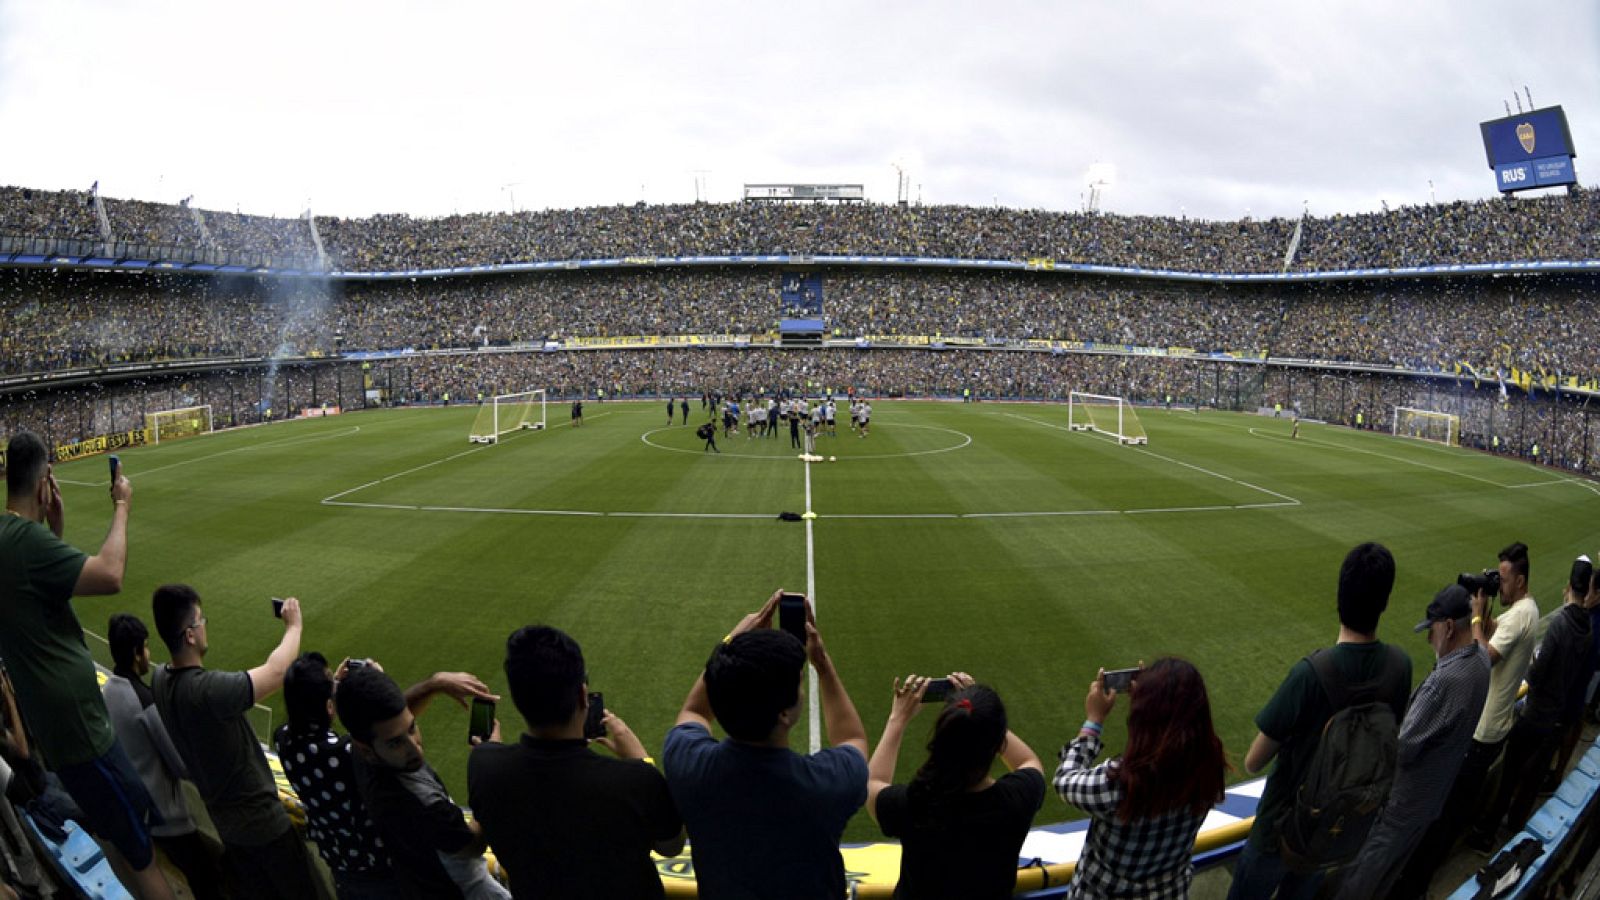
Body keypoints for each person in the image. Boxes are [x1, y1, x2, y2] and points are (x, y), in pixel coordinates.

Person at [0, 433, 174, 900]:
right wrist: (121, 506)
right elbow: (109, 575)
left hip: (58, 730)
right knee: (142, 852)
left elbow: (35, 597)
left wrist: (52, 529)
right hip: (82, 733)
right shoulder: (23, 541)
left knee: (116, 835)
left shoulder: (9, 538)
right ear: (45, 483)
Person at [1228, 542, 1412, 899]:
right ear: (1385, 602)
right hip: (1336, 830)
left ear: (1339, 595)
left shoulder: (1311, 674)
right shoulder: (1399, 667)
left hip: (1280, 832)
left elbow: (1253, 762)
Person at [663, 591, 869, 899]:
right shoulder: (827, 783)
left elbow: (693, 711)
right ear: (784, 713)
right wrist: (823, 665)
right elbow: (853, 740)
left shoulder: (688, 764)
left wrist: (729, 644)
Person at [468, 625, 683, 898]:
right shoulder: (636, 780)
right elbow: (671, 845)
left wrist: (490, 751)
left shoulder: (485, 766)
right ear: (583, 695)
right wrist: (640, 756)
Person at [151, 585, 319, 900]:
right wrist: (294, 626)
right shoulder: (209, 691)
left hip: (227, 828)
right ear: (190, 635)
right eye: (201, 621)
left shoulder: (159, 678)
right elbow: (277, 671)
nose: (205, 627)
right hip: (265, 826)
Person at [1394, 542, 1540, 891]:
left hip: (1482, 731)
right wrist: (1484, 610)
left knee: (1446, 813)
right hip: (1492, 725)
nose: (1498, 584)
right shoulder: (1526, 610)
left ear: (1520, 581)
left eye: (1502, 579)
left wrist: (1474, 617)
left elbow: (1480, 659)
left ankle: (1416, 879)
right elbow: (1494, 633)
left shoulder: (1520, 614)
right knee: (1452, 809)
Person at [1334, 585, 1491, 899]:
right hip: (1430, 802)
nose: (1428, 638)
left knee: (1361, 880)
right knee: (1386, 878)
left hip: (1401, 804)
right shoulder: (1482, 660)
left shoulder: (1445, 680)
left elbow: (1402, 748)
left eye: (1431, 630)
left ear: (1448, 627)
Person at [1056, 659, 1228, 899]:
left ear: (1143, 714)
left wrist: (1093, 722)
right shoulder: (1211, 763)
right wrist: (1152, 693)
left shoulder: (1119, 783)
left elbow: (1064, 781)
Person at [336, 663, 509, 900]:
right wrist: (488, 768)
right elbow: (474, 844)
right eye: (396, 743)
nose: (414, 749)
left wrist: (433, 684)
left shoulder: (363, 751)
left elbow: (395, 718)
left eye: (412, 727)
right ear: (366, 749)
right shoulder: (425, 806)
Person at [866, 672, 1044, 899]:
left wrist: (897, 720)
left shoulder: (914, 805)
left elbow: (872, 784)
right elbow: (1028, 762)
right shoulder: (1017, 799)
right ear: (997, 740)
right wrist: (984, 721)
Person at [1468, 553, 1593, 850]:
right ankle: (1513, 827)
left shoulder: (1561, 623)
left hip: (1536, 712)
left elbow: (1536, 672)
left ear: (1568, 586)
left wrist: (1476, 618)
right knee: (1531, 778)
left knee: (1510, 776)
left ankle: (1486, 833)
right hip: (1557, 714)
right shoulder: (1586, 627)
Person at [103, 614, 226, 900]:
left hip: (139, 807)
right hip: (167, 814)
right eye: (145, 647)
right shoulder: (144, 700)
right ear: (136, 653)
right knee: (205, 879)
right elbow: (181, 765)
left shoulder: (108, 689)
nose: (148, 654)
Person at [274, 652, 397, 899]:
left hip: (338, 860)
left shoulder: (283, 739)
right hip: (379, 865)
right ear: (329, 706)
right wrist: (380, 685)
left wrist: (334, 688)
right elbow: (393, 738)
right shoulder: (346, 753)